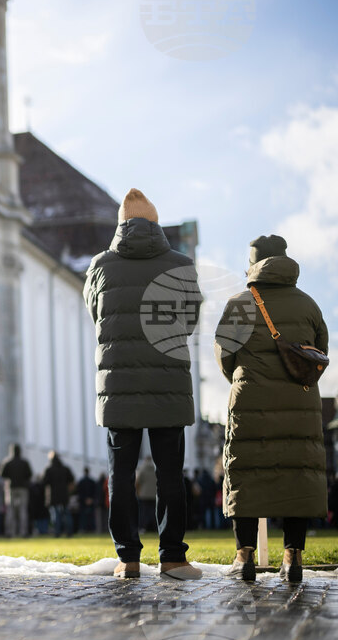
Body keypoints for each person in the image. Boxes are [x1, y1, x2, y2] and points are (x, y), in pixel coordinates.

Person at [83, 188, 203, 580]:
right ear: (155, 223)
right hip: (168, 382)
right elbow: (190, 322)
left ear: (121, 224)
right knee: (171, 473)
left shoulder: (101, 265)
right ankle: (172, 557)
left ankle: (127, 558)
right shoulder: (181, 265)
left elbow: (95, 314)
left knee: (121, 473)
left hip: (119, 383)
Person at [214, 235, 329, 582]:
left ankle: (244, 556)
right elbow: (320, 353)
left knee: (246, 472)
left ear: (252, 265)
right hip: (300, 400)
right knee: (298, 472)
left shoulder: (239, 304)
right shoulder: (308, 304)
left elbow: (224, 357)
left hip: (251, 401)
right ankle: (293, 558)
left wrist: (246, 377)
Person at [0, 444, 32, 538]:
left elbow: (2, 474)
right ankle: (23, 532)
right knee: (23, 510)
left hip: (11, 487)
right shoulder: (24, 462)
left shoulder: (7, 462)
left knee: (10, 510)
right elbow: (29, 474)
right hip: (23, 488)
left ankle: (10, 532)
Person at [42, 451, 74, 537]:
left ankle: (57, 532)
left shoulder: (49, 469)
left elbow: (44, 482)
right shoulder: (65, 469)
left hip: (53, 495)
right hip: (64, 494)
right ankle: (69, 532)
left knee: (55, 515)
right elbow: (71, 480)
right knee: (66, 513)